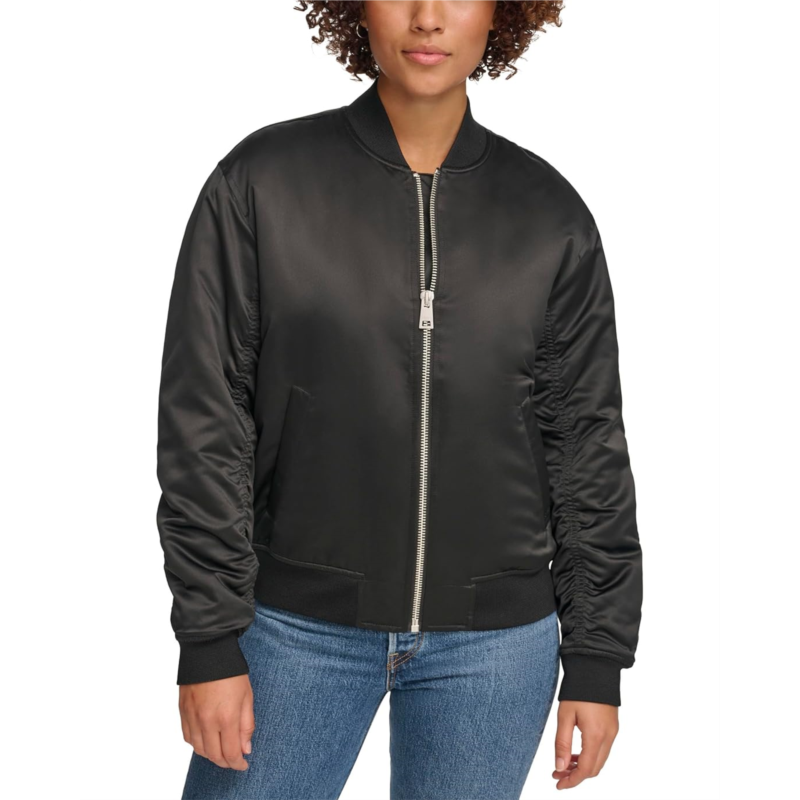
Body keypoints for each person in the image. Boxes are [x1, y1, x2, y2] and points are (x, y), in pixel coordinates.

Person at [155, 2, 644, 798]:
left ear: (503, 12)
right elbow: (205, 422)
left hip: (496, 648)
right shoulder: (263, 183)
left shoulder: (548, 215)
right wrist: (208, 641)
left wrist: (597, 657)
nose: (427, 18)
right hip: (291, 631)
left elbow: (586, 445)